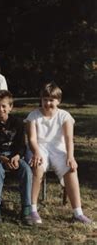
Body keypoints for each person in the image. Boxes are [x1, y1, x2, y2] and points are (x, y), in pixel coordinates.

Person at [26, 82, 92, 225]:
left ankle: (78, 213)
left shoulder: (64, 116)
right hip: (40, 147)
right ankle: (33, 210)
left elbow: (69, 139)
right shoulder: (33, 115)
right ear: (41, 99)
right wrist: (36, 152)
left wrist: (70, 156)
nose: (48, 103)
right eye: (45, 99)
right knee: (37, 167)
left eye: (51, 100)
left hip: (58, 148)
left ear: (58, 101)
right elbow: (31, 139)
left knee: (71, 169)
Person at [0, 90, 32, 225]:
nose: (1, 109)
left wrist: (17, 156)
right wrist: (1, 158)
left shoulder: (17, 122)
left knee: (26, 170)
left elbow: (21, 145)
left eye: (4, 106)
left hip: (13, 156)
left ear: (10, 107)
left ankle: (26, 209)